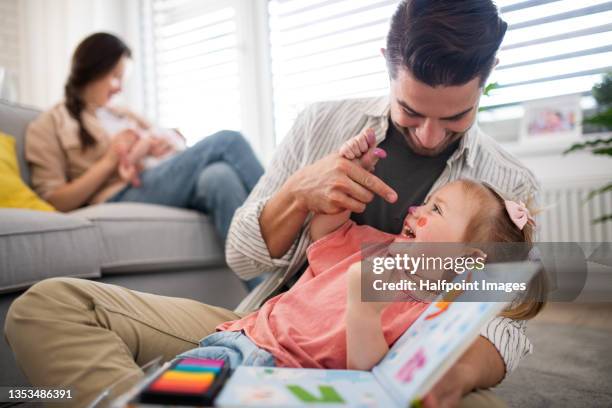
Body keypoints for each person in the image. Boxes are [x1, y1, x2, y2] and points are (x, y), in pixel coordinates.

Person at [5, 1, 539, 407]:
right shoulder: (323, 125)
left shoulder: (508, 187)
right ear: (387, 66)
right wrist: (299, 192)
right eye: (410, 110)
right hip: (266, 323)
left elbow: (508, 323)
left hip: (370, 364)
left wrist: (444, 371)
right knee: (48, 306)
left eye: (455, 117)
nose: (427, 136)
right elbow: (247, 257)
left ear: (486, 78)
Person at [175, 131, 545, 381]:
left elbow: (369, 375)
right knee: (166, 394)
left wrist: (364, 311)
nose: (417, 209)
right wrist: (353, 172)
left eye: (437, 211)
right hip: (240, 339)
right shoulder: (377, 244)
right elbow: (326, 231)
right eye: (428, 203)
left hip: (289, 378)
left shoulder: (428, 315)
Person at [25, 32, 264, 244]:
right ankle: (289, 219)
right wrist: (109, 161)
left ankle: (275, 290)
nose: (120, 88)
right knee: (228, 140)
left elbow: (172, 145)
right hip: (120, 193)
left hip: (159, 178)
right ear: (94, 69)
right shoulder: (51, 123)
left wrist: (165, 144)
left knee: (219, 177)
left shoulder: (123, 113)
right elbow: (56, 200)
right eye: (116, 77)